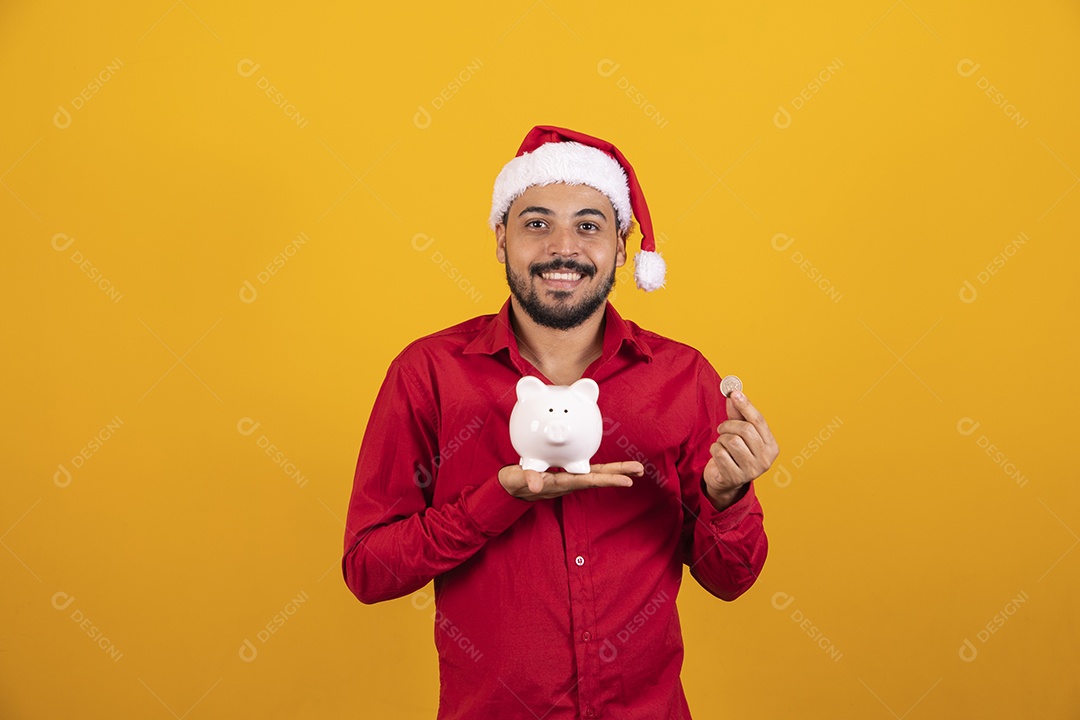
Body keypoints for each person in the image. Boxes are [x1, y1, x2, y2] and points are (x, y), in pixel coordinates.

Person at [342, 125, 778, 720]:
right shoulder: (430, 374)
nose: (562, 248)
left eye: (589, 226)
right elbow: (369, 568)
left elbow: (731, 579)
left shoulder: (682, 377)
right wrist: (495, 500)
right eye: (537, 223)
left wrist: (727, 496)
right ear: (501, 239)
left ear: (623, 246)